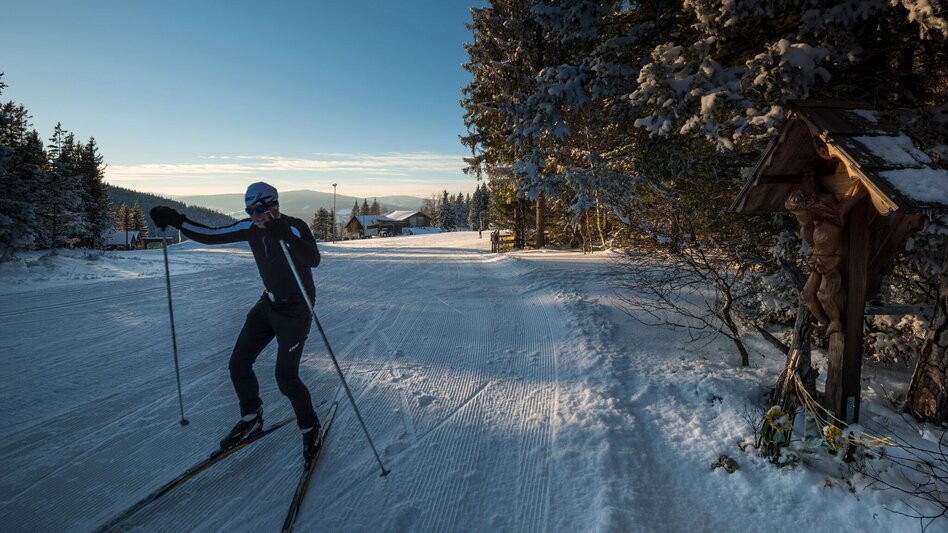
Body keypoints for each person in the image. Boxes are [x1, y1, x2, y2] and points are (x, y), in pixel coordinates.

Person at [150, 182, 322, 462]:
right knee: (238, 364)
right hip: (268, 304)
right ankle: (252, 416)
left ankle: (310, 426)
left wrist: (285, 236)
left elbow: (313, 259)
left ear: (272, 204)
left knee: (286, 378)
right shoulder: (250, 227)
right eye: (249, 209)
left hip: (296, 310)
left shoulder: (293, 226)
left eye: (258, 209)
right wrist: (176, 220)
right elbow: (210, 235)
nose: (254, 215)